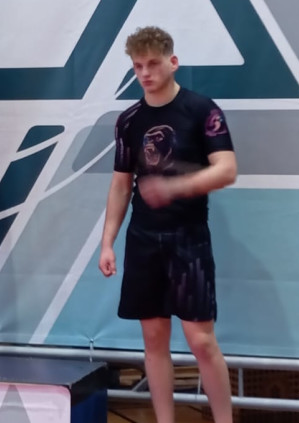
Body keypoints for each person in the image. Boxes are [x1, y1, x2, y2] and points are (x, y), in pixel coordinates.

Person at [98, 26, 237, 423]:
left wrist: (175, 187)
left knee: (201, 341)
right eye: (138, 66)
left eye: (153, 64)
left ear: (173, 62)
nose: (145, 73)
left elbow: (227, 169)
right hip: (143, 238)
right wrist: (107, 242)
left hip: (188, 238)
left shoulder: (202, 110)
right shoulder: (128, 120)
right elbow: (121, 184)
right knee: (154, 339)